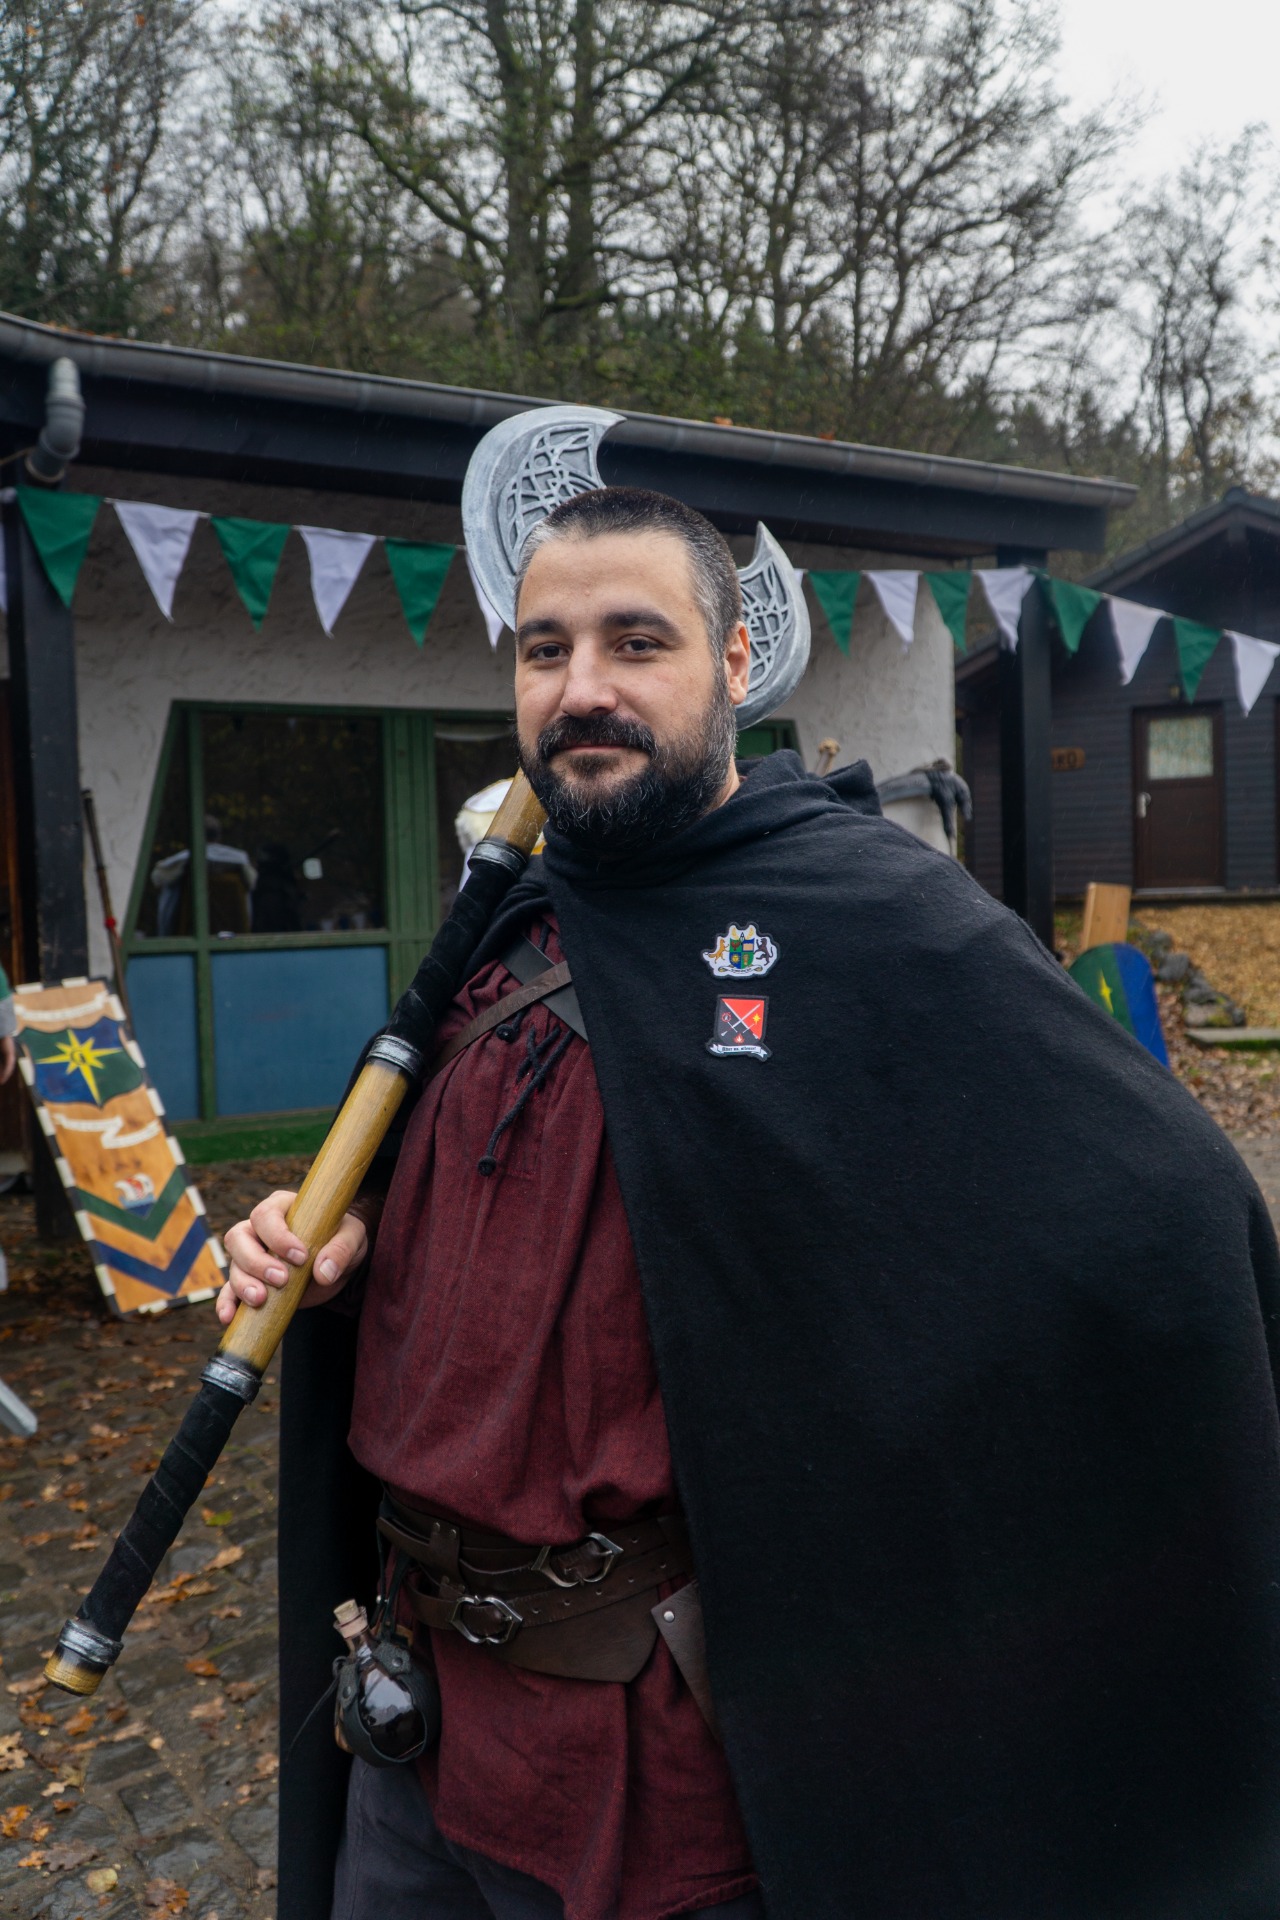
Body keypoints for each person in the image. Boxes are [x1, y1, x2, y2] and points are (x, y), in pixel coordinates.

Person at [222, 488, 1280, 1920]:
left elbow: (1171, 1214)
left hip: (652, 1768)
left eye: (635, 641)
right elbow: (477, 1196)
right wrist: (350, 1247)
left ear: (732, 662)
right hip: (416, 1724)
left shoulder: (867, 917)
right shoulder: (509, 922)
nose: (581, 689)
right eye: (545, 650)